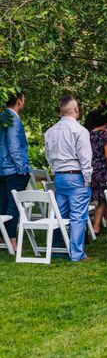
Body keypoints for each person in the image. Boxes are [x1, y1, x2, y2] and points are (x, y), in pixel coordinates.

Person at [44, 95, 93, 262]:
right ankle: (77, 254)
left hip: (59, 176)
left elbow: (49, 156)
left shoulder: (50, 131)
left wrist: (55, 171)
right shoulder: (80, 130)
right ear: (76, 109)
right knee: (78, 215)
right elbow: (85, 158)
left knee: (60, 213)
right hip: (76, 175)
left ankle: (58, 248)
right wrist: (87, 179)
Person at [0, 91, 31, 253]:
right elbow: (14, 146)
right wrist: (22, 168)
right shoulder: (12, 118)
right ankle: (12, 242)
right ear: (19, 101)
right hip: (13, 169)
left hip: (1, 169)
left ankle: (2, 237)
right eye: (23, 100)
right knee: (14, 204)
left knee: (3, 203)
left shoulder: (2, 116)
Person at [89, 110, 107, 236]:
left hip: (91, 169)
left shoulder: (89, 134)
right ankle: (96, 228)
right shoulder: (104, 134)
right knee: (104, 199)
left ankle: (106, 222)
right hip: (103, 170)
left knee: (101, 199)